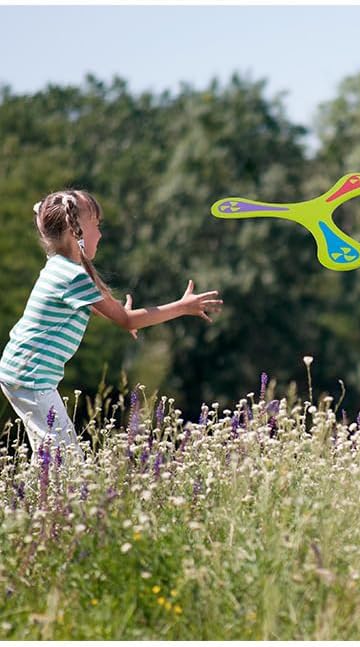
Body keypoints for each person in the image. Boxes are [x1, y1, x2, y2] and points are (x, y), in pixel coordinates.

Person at [0, 190, 223, 460]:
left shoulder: (60, 267)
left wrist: (121, 315)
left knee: (52, 454)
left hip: (22, 371)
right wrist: (183, 306)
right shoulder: (73, 276)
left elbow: (98, 308)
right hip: (31, 377)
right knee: (65, 460)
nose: (100, 234)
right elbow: (126, 320)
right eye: (96, 226)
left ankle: (40, 487)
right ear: (75, 231)